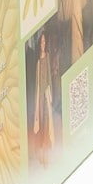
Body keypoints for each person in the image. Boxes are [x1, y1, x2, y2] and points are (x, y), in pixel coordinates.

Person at [32, 30, 54, 167]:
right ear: (39, 43)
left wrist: (50, 93)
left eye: (45, 41)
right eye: (41, 41)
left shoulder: (48, 57)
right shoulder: (38, 61)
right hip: (39, 97)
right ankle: (41, 152)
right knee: (39, 124)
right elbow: (36, 82)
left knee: (47, 123)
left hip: (46, 95)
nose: (43, 44)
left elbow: (49, 77)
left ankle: (45, 154)